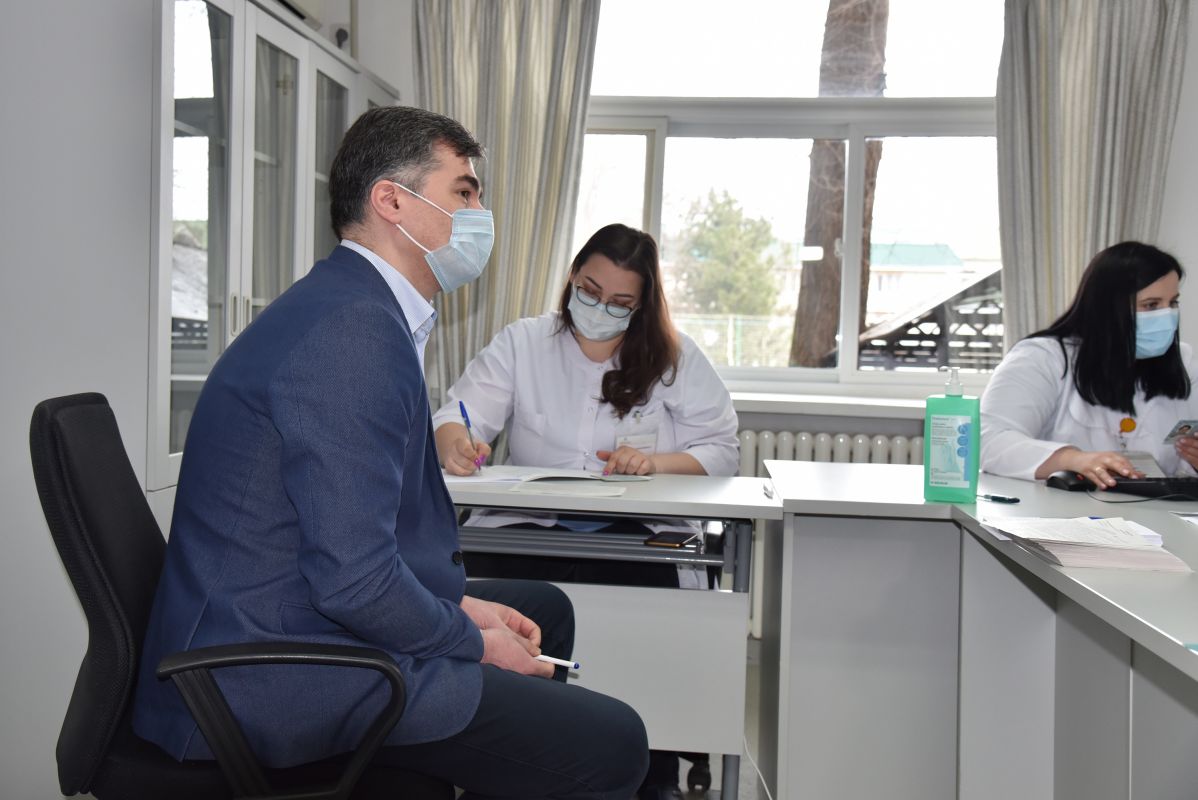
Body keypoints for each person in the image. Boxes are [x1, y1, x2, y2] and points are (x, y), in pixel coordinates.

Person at [132, 106, 648, 800]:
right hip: (274, 675)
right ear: (391, 201)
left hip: (294, 614)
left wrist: (464, 612)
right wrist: (470, 638)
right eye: (463, 192)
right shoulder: (352, 334)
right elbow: (354, 582)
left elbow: (356, 549)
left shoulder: (353, 306)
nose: (479, 214)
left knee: (542, 611)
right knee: (616, 743)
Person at [431, 223, 739, 799]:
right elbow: (458, 417)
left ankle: (652, 769)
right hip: (526, 532)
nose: (600, 309)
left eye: (620, 302)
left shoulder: (673, 357)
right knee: (510, 598)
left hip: (634, 536)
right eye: (590, 291)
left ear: (641, 306)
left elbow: (722, 450)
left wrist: (655, 464)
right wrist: (456, 442)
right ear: (572, 276)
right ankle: (506, 762)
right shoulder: (523, 343)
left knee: (647, 609)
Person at [981, 240, 1198, 488]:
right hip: (1061, 509)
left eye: (1173, 303)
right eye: (1151, 305)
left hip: (1157, 508)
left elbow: (1179, 466)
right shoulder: (1043, 357)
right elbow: (990, 442)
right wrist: (1072, 459)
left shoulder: (1185, 363)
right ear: (1109, 306)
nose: (1167, 316)